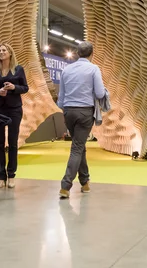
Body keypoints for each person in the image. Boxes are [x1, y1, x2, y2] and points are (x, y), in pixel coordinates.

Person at [58, 41, 106, 199]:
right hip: (85, 112)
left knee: (80, 145)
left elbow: (61, 98)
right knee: (77, 148)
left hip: (68, 112)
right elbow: (99, 93)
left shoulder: (66, 69)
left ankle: (85, 182)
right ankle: (65, 186)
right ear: (92, 54)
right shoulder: (93, 69)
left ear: (78, 53)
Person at [0, 43, 29, 190]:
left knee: (12, 143)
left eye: (4, 50)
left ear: (10, 53)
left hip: (14, 110)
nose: (1, 52)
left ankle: (11, 175)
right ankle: (1, 176)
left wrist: (14, 88)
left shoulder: (18, 69)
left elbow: (25, 88)